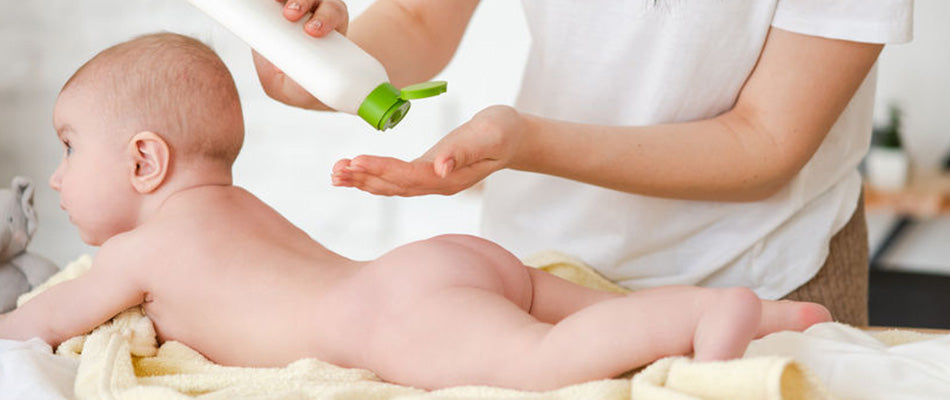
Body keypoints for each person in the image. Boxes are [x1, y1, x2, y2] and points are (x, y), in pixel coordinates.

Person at [0, 33, 832, 391]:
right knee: (603, 322)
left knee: (551, 365)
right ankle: (766, 319)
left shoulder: (134, 258)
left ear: (145, 160)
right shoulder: (235, 206)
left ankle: (708, 315)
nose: (59, 177)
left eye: (70, 148)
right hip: (441, 272)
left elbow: (29, 325)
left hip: (401, 317)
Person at [252, 0, 914, 327]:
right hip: (538, 274)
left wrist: (528, 143)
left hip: (763, 281)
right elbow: (420, 19)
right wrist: (320, 63)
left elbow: (764, 143)